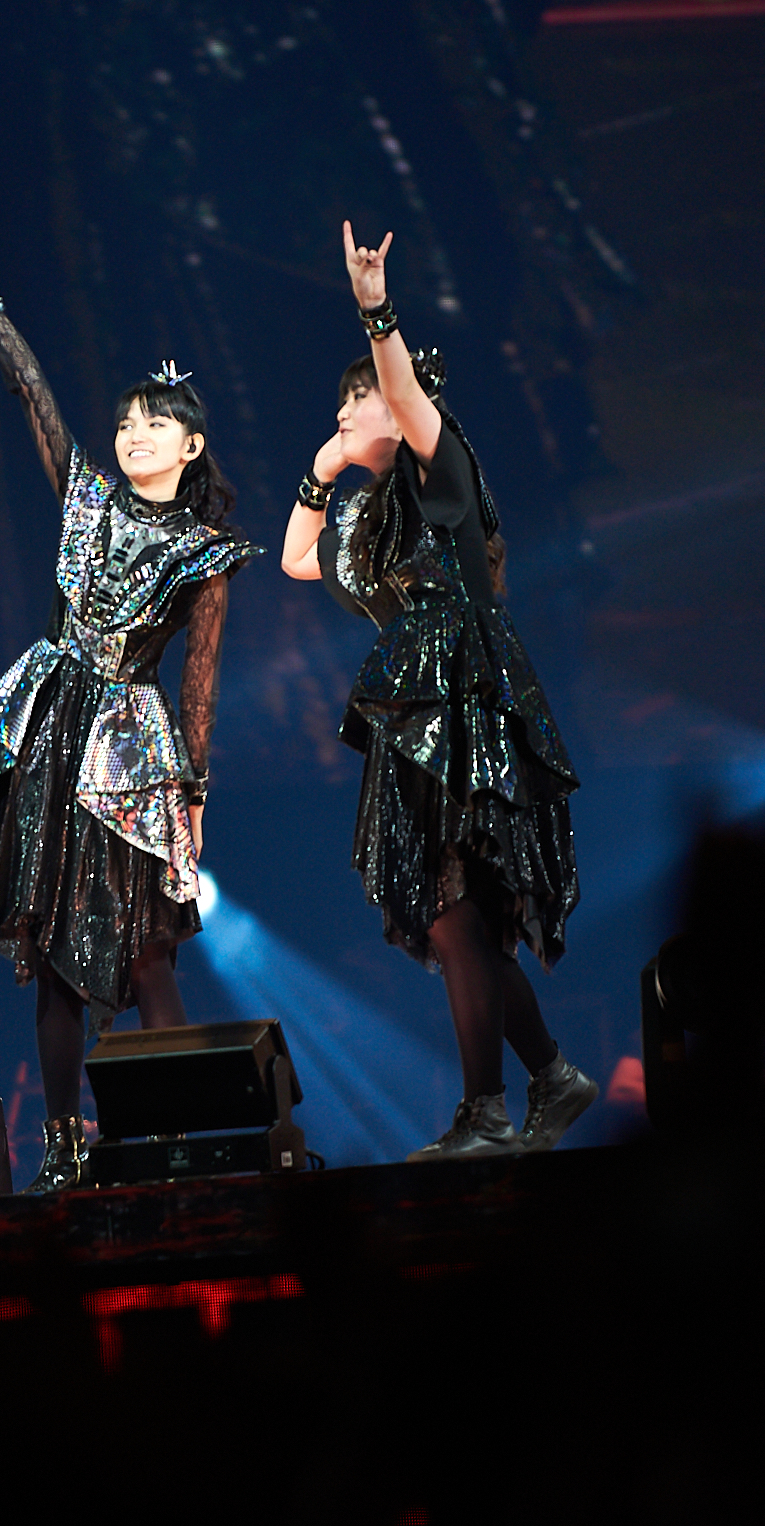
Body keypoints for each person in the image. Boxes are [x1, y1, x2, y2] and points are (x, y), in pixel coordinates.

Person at [0, 235, 261, 1191]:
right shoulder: (86, 500)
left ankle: (184, 1136)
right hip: (52, 733)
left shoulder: (206, 551)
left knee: (149, 951)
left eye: (155, 423)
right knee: (55, 954)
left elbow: (200, 681)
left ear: (191, 447)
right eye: (125, 423)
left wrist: (192, 793)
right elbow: (33, 392)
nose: (133, 434)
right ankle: (66, 1147)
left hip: (132, 751)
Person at [281, 222, 596, 1160]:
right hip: (414, 721)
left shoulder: (438, 461)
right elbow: (298, 559)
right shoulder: (370, 519)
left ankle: (490, 1111)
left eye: (359, 400)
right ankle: (547, 1079)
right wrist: (318, 473)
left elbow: (407, 395)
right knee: (464, 923)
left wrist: (376, 311)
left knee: (464, 920)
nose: (346, 411)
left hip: (466, 703)